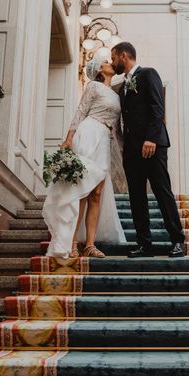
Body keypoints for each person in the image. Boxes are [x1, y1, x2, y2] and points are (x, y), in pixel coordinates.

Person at [42, 57, 126, 258]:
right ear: (99, 69)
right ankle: (71, 242)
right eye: (106, 61)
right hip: (88, 133)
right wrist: (68, 139)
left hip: (105, 140)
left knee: (96, 193)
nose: (110, 62)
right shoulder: (94, 86)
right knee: (82, 188)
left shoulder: (115, 93)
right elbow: (80, 111)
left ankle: (90, 244)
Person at [111, 42, 185, 258]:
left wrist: (151, 138)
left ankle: (177, 240)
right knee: (136, 197)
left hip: (153, 145)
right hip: (132, 151)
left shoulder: (148, 74)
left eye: (114, 58)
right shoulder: (123, 86)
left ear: (124, 56)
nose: (113, 62)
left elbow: (157, 106)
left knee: (162, 191)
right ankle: (144, 244)